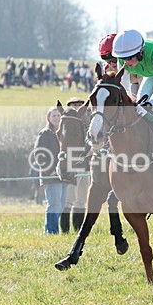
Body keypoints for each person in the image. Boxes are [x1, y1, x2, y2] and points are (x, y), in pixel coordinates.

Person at [35, 107, 68, 234]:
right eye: (53, 115)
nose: (56, 118)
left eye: (58, 115)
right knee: (53, 205)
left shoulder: (64, 133)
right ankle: (51, 232)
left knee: (61, 205)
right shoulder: (45, 133)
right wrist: (50, 170)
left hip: (63, 175)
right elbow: (39, 154)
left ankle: (49, 229)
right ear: (48, 118)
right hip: (51, 175)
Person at [59, 97, 89, 234]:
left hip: (86, 165)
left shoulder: (89, 121)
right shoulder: (66, 123)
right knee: (68, 200)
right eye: (74, 105)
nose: (77, 106)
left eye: (79, 104)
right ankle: (65, 231)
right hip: (71, 164)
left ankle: (78, 230)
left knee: (81, 200)